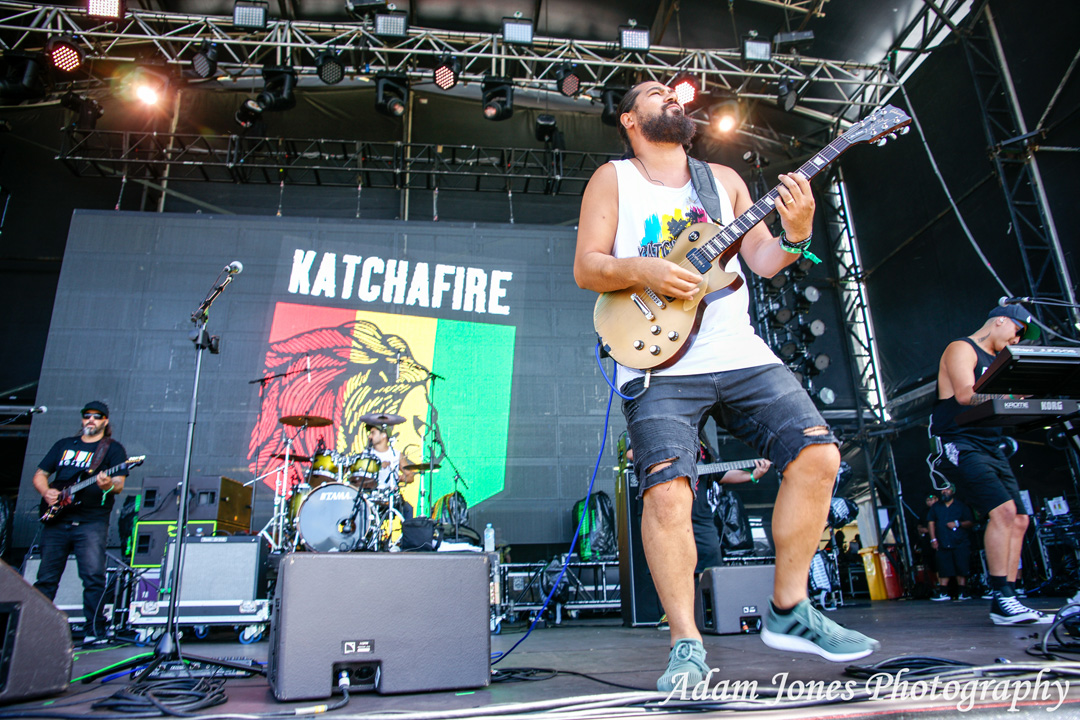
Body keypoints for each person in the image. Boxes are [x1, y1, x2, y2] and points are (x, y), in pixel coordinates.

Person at [574, 80, 879, 691]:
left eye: (674, 91)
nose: (672, 96)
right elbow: (588, 266)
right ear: (630, 119)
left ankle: (790, 608)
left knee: (820, 455)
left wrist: (797, 233)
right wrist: (643, 269)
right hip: (656, 358)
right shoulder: (614, 178)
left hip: (737, 349)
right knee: (667, 494)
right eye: (656, 92)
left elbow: (764, 260)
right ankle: (686, 644)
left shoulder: (723, 181)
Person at [930, 304, 1049, 625]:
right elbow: (965, 396)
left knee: (1020, 520)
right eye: (1017, 331)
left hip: (990, 445)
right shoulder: (962, 348)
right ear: (1001, 321)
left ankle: (1008, 598)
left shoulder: (999, 362)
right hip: (960, 441)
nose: (1017, 339)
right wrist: (1010, 397)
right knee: (1004, 513)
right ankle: (1001, 597)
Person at [32, 401, 129, 644]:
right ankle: (35, 628)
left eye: (97, 416)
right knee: (46, 577)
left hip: (91, 521)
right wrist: (46, 492)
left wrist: (108, 484)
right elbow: (41, 474)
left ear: (105, 421)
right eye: (87, 416)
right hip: (57, 520)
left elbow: (119, 485)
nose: (91, 420)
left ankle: (94, 630)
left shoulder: (112, 449)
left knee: (93, 576)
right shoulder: (64, 445)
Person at [926, 483, 974, 601]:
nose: (944, 492)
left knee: (961, 566)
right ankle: (943, 592)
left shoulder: (961, 506)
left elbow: (970, 522)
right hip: (943, 541)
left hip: (959, 541)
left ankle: (962, 591)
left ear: (952, 491)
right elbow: (931, 522)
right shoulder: (936, 507)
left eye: (947, 489)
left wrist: (957, 524)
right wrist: (933, 539)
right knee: (944, 567)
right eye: (942, 490)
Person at [364, 423, 416, 520]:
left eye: (373, 433)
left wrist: (400, 477)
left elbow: (410, 477)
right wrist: (379, 465)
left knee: (408, 509)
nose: (369, 436)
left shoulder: (396, 455)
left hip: (390, 495)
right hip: (371, 496)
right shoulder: (366, 454)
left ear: (383, 435)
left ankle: (407, 530)